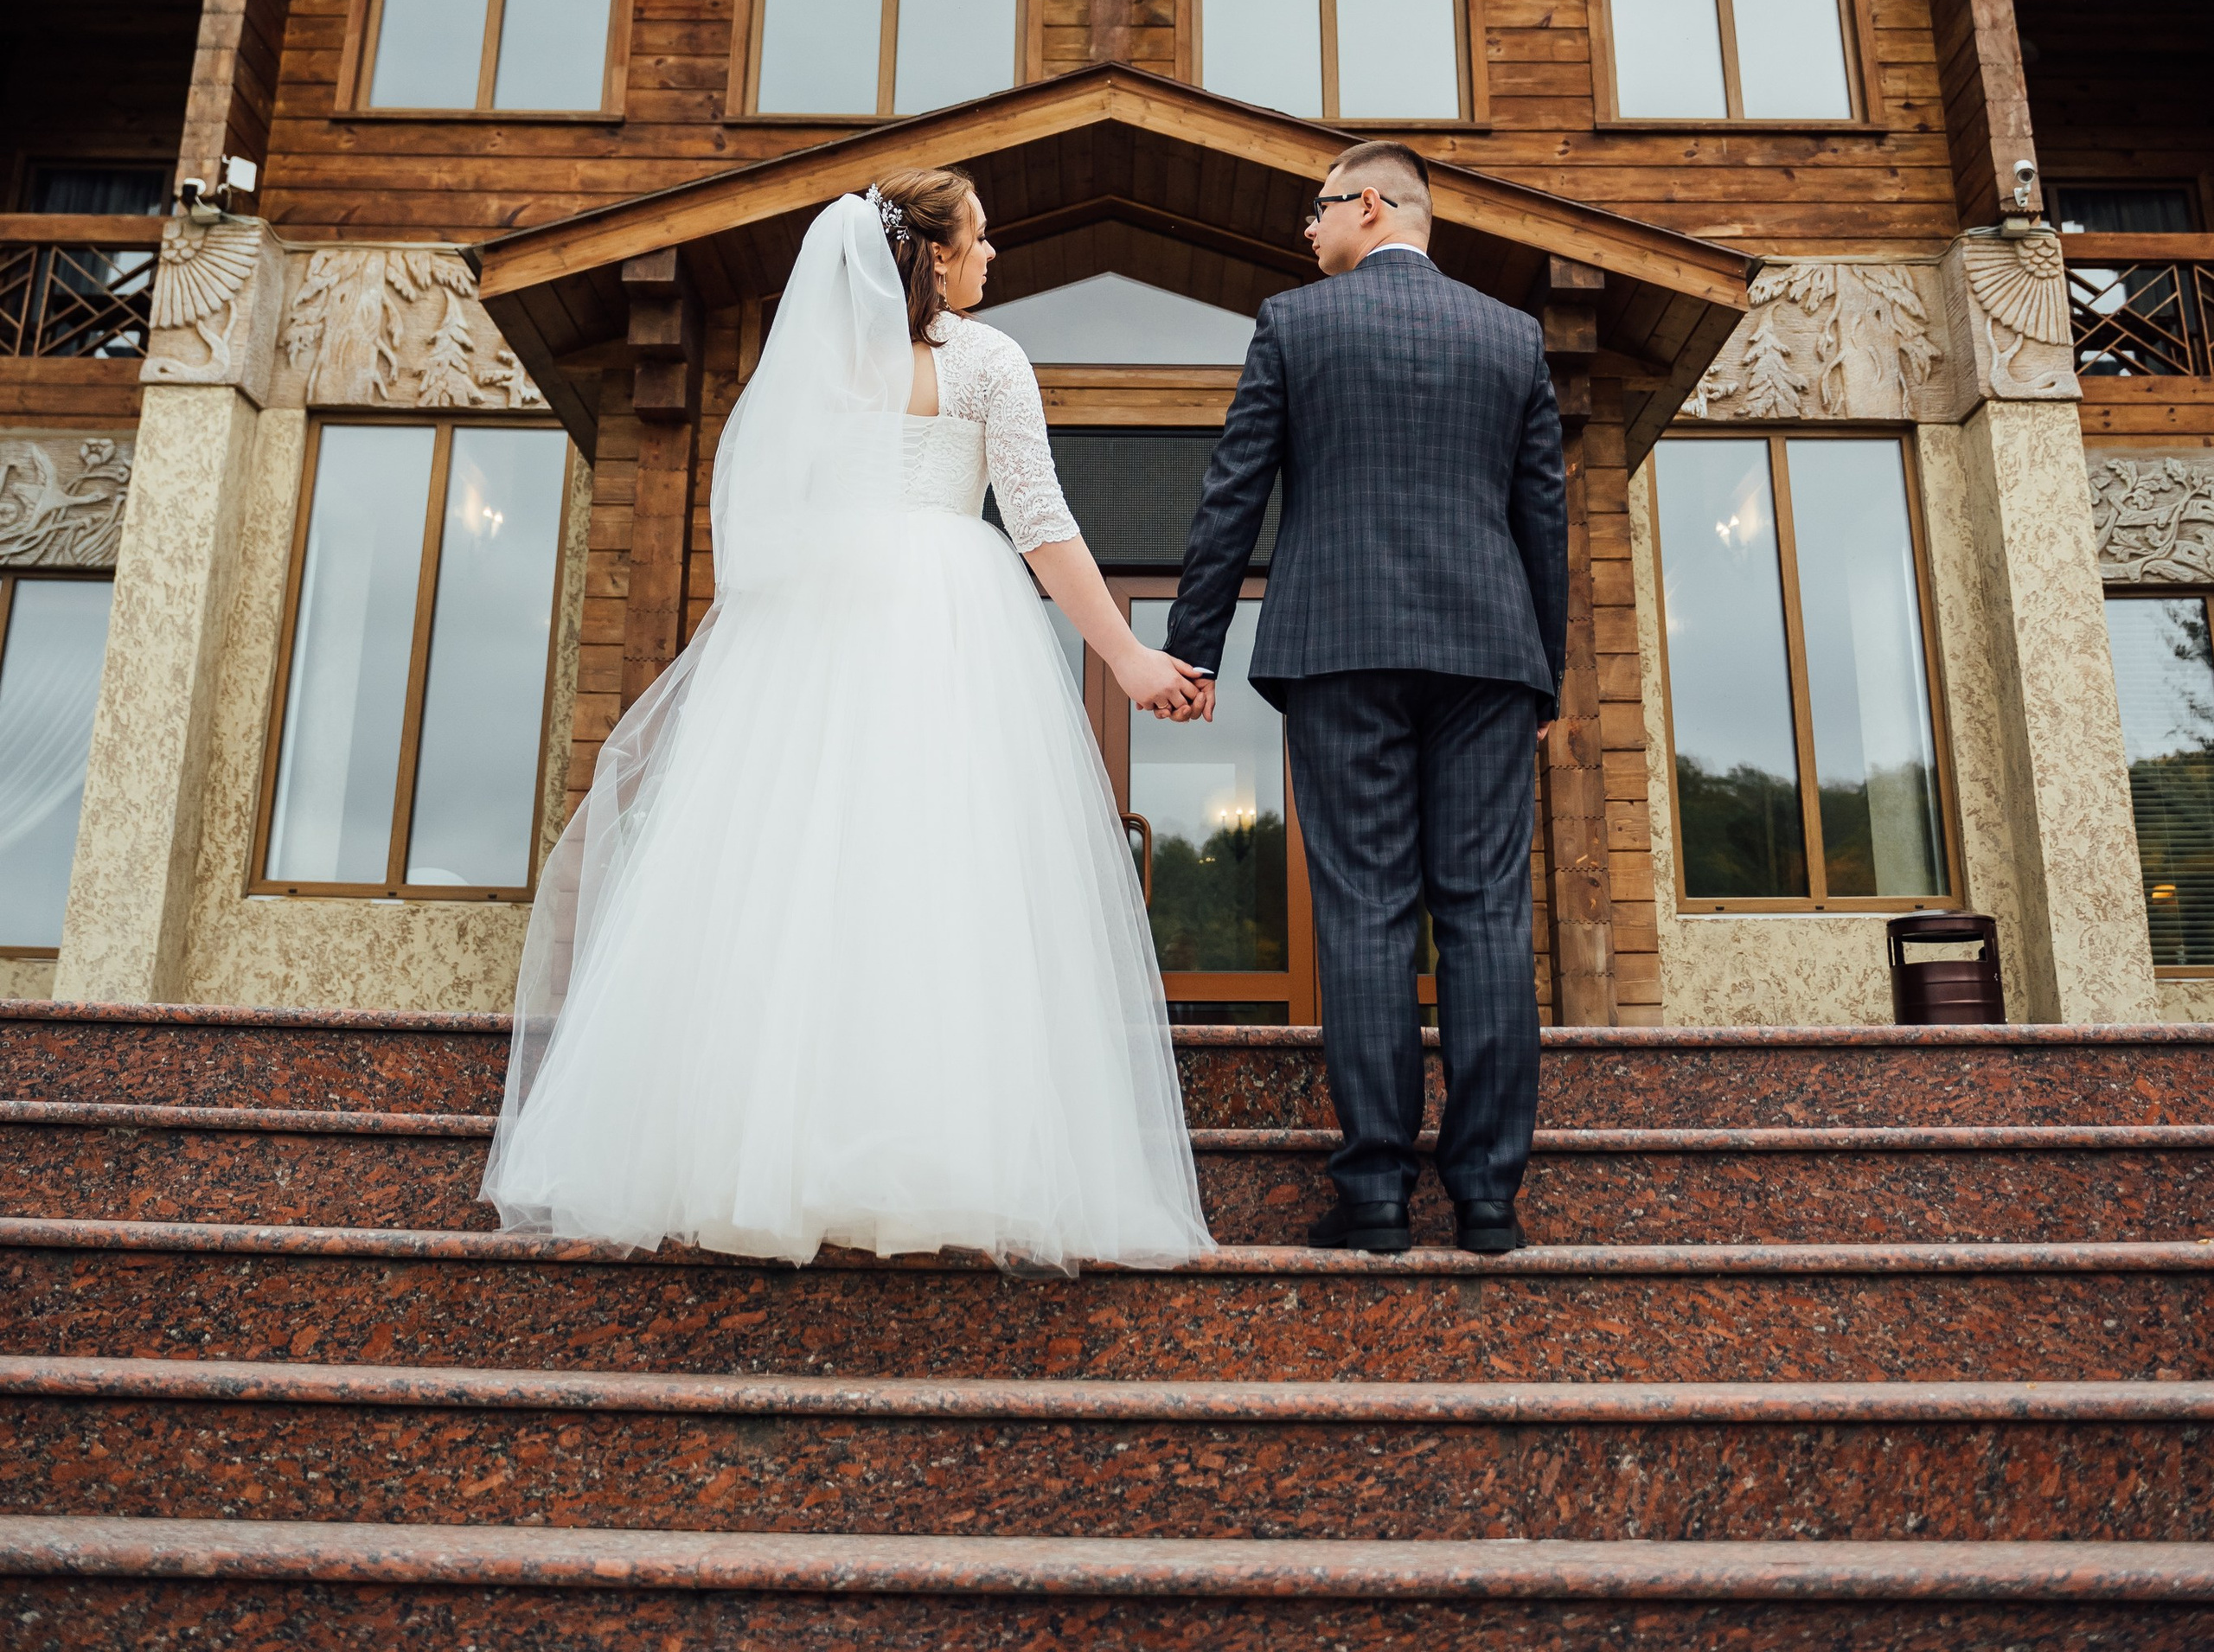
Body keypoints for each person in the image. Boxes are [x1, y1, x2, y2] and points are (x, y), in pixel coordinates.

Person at [482, 168, 1213, 1270]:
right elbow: (1039, 523)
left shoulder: (815, 367)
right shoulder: (988, 361)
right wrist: (1126, 656)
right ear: (935, 254)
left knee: (798, 878)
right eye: (980, 239)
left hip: (814, 628)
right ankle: (930, 1150)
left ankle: (762, 1153)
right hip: (948, 623)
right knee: (940, 876)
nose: (992, 256)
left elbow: (766, 512)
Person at [1166, 139, 1567, 1257]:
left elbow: (1234, 492)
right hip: (1490, 655)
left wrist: (1193, 649)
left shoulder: (1294, 326)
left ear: (1375, 205)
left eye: (1319, 207)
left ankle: (1379, 1194)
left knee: (1366, 910)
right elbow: (1543, 516)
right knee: (1487, 911)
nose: (1308, 228)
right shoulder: (1512, 335)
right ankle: (1487, 1200)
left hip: (1340, 645)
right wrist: (1545, 670)